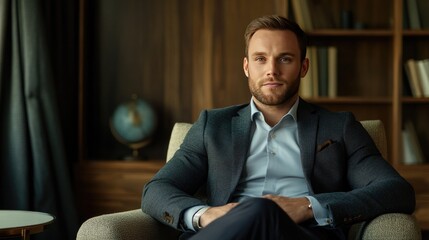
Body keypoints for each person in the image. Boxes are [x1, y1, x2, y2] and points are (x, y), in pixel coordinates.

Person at [141, 15, 415, 240]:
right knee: (256, 211)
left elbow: (395, 190)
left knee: (262, 210)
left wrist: (308, 206)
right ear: (247, 67)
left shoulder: (339, 126)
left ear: (303, 66)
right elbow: (157, 190)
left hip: (304, 235)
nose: (272, 70)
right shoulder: (213, 126)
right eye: (260, 59)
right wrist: (205, 214)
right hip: (225, 234)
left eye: (285, 58)